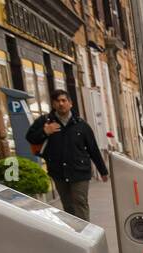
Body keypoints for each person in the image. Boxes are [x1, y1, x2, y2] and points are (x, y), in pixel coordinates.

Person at [25, 89, 108, 220]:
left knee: (80, 202)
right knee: (68, 206)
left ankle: (85, 236)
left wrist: (103, 171)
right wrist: (45, 131)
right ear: (53, 104)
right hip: (58, 172)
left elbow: (93, 149)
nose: (61, 104)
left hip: (79, 171)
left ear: (70, 103)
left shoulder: (81, 125)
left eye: (64, 100)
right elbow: (30, 138)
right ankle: (73, 236)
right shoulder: (44, 122)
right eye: (57, 101)